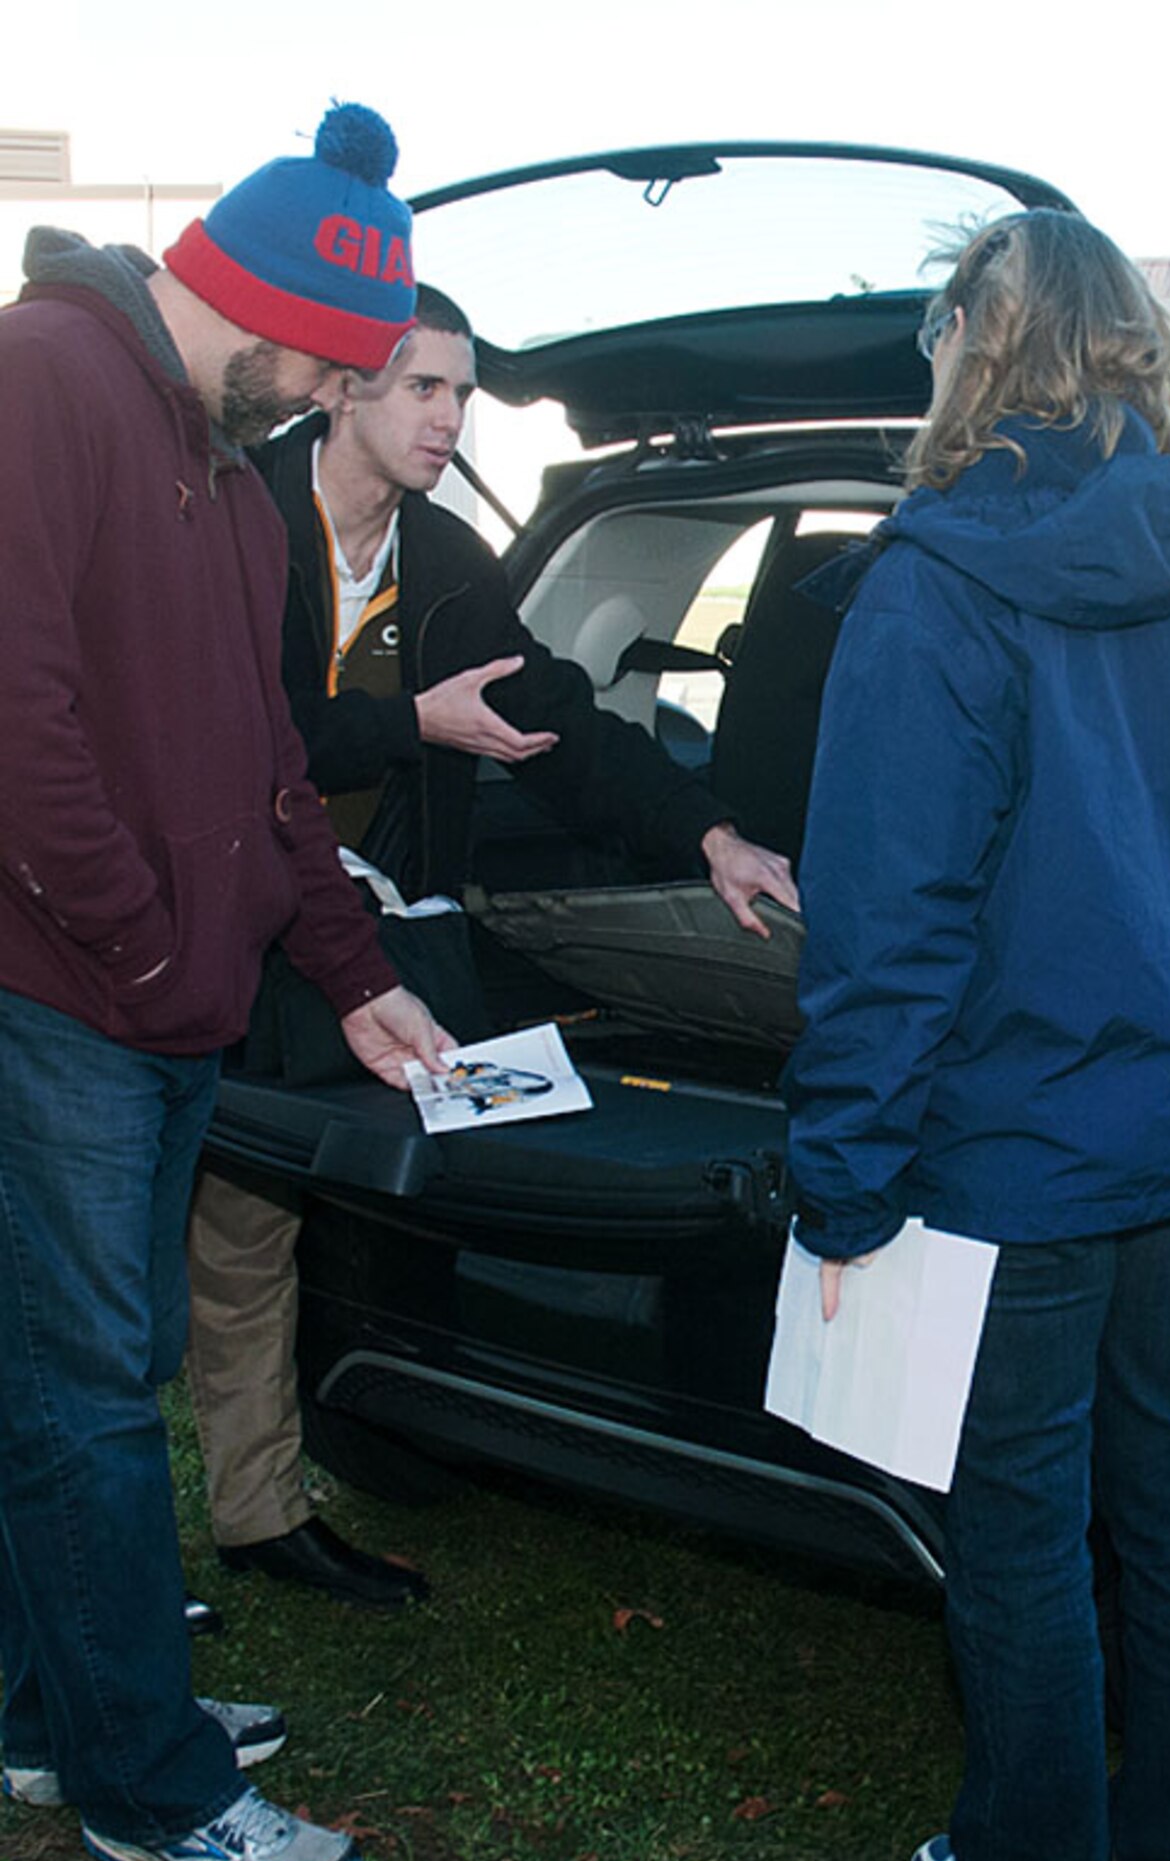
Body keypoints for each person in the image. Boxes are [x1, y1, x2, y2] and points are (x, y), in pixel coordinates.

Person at [782, 211, 1170, 1861]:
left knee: (1020, 1530)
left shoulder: (929, 579)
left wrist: (838, 1182)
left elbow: (883, 916)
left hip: (1017, 1160)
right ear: (1127, 350)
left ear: (969, 347)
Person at [0, 103, 451, 1861]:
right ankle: (151, 1780)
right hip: (66, 1003)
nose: (330, 395)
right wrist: (144, 947)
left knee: (68, 1387)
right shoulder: (45, 379)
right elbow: (15, 719)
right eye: (332, 364)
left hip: (161, 1006)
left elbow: (270, 762)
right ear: (257, 307)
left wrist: (353, 977)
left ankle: (58, 1709)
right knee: (97, 1399)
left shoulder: (226, 474)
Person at [185, 283, 800, 1608]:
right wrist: (411, 723)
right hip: (217, 927)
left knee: (383, 1200)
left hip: (376, 941)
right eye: (422, 386)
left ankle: (367, 1444)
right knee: (225, 1235)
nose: (448, 416)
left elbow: (560, 724)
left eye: (460, 393)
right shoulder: (238, 516)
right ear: (340, 386)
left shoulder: (450, 560)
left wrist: (707, 838)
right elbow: (245, 743)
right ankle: (243, 1511)